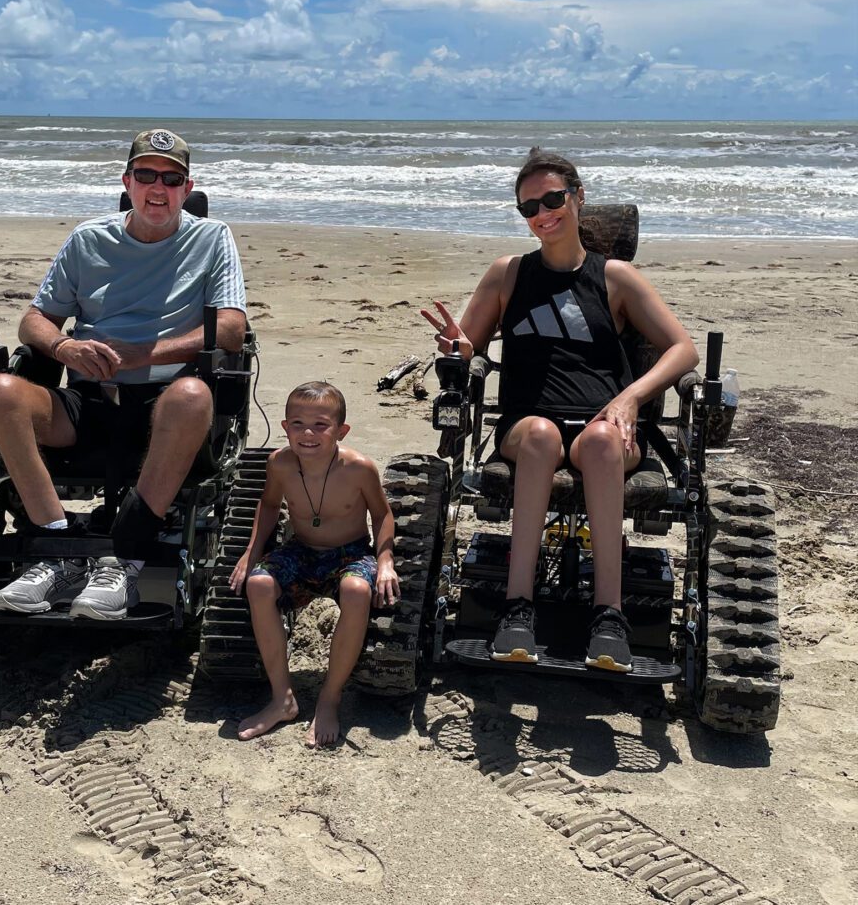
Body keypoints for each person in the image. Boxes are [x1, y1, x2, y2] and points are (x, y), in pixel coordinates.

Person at [423, 148, 697, 672]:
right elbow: (470, 348)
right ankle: (517, 606)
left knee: (598, 440)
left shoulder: (614, 277)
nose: (542, 214)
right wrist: (457, 349)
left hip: (603, 420)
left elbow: (682, 349)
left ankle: (609, 615)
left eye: (553, 199)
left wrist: (631, 396)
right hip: (528, 423)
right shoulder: (507, 274)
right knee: (543, 435)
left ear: (577, 197)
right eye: (530, 208)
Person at [0, 128, 247, 620]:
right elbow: (33, 320)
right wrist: (64, 347)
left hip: (167, 406)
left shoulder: (212, 238)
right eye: (146, 175)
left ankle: (125, 556)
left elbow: (231, 327)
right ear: (128, 181)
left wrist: (144, 353)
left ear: (187, 189)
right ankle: (56, 549)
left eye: (172, 178)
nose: (158, 188)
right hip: (88, 398)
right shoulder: (88, 239)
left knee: (190, 394)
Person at [231, 382, 399, 747]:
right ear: (285, 426)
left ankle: (330, 697)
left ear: (341, 431)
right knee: (258, 584)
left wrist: (384, 559)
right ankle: (282, 698)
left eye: (320, 425)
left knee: (357, 590)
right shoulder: (280, 463)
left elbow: (383, 514)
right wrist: (251, 552)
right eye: (297, 423)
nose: (307, 433)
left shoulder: (359, 468)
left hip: (349, 554)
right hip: (302, 550)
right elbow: (270, 506)